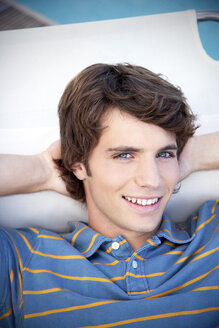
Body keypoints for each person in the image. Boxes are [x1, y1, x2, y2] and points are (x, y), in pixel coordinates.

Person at [0, 63, 218, 327]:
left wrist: (191, 155)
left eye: (164, 154)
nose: (152, 180)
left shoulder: (211, 236)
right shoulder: (24, 260)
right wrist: (41, 170)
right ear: (78, 164)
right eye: (124, 155)